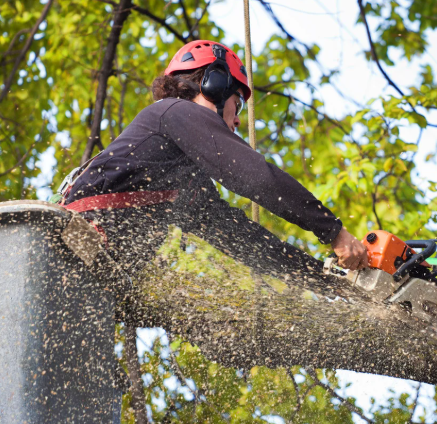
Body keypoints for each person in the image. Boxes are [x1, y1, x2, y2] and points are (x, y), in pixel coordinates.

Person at [59, 40, 369, 275]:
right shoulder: (174, 112)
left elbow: (241, 238)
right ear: (215, 86)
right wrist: (334, 231)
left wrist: (325, 277)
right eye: (239, 103)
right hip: (70, 247)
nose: (237, 120)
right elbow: (257, 177)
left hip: (89, 269)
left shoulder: (184, 178)